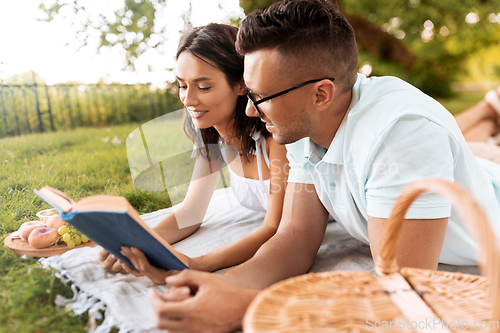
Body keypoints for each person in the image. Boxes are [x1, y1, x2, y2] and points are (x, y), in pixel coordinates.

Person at [148, 0, 500, 331]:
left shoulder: (403, 135)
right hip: (469, 175)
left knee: (481, 147)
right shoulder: (303, 127)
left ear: (321, 94)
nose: (250, 111)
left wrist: (245, 307)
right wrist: (221, 285)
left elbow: (401, 290)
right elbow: (295, 235)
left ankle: (489, 112)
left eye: (260, 97)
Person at [98, 23, 289, 284]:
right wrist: (142, 244)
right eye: (182, 86)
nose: (188, 100)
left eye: (204, 87)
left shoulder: (275, 136)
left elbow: (275, 228)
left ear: (241, 85)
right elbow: (191, 213)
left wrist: (195, 264)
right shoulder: (212, 134)